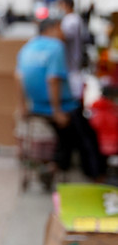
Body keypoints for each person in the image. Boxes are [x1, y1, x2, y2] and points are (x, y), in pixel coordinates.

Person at [16, 17, 106, 180]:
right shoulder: (56, 47)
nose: (63, 33)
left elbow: (19, 78)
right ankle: (96, 175)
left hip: (36, 107)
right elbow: (53, 80)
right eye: (60, 28)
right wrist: (56, 111)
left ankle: (56, 165)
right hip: (59, 106)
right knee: (86, 134)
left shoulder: (27, 48)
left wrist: (23, 106)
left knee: (66, 135)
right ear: (50, 29)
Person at [56, 0, 86, 100]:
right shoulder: (69, 18)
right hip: (69, 63)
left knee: (74, 95)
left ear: (66, 5)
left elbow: (63, 36)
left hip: (72, 63)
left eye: (60, 4)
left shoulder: (72, 19)